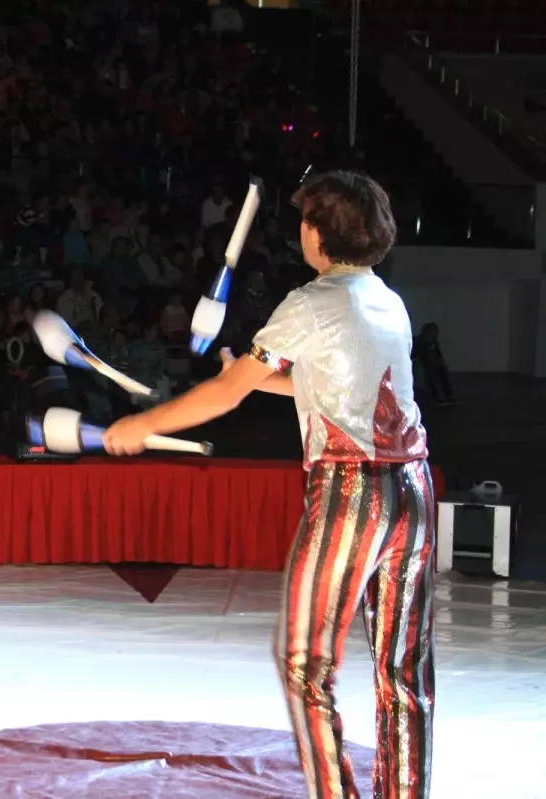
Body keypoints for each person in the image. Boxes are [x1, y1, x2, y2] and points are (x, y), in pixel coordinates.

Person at [103, 171, 434, 799]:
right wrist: (252, 376)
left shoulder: (310, 302)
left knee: (308, 666)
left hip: (349, 494)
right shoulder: (388, 299)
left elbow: (226, 395)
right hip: (413, 491)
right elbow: (335, 390)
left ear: (317, 233)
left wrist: (139, 426)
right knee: (404, 671)